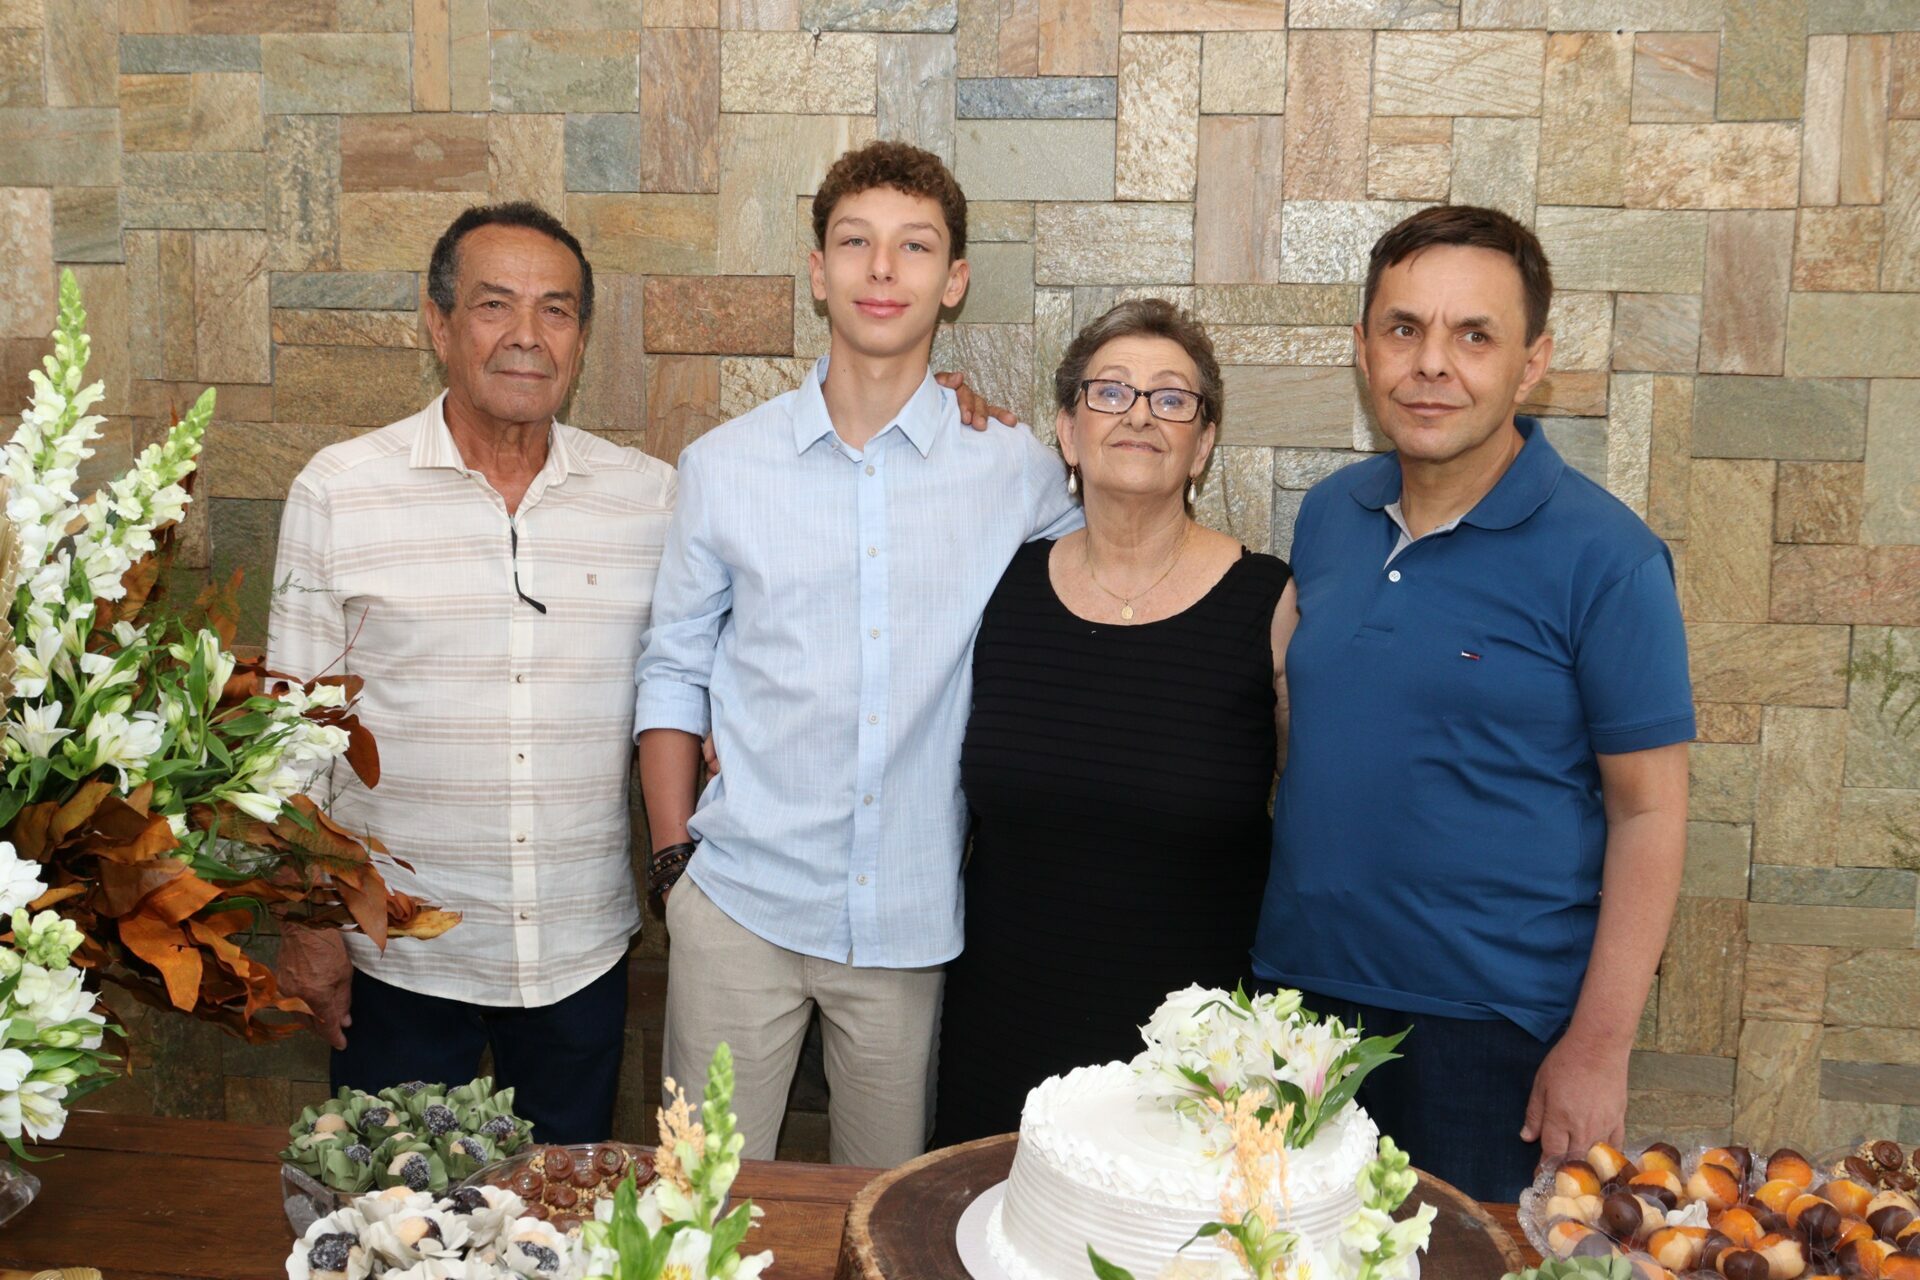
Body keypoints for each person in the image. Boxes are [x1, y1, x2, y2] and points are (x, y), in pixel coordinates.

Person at [633, 141, 1079, 1166]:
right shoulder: (724, 466)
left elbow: (1105, 573)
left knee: (882, 1207)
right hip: (736, 900)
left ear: (954, 281)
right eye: (855, 243)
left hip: (909, 922)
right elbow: (673, 666)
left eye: (914, 246)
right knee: (699, 1199)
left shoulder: (1012, 468)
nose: (883, 268)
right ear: (818, 270)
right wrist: (673, 868)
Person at [1250, 205, 1692, 1200]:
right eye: (1404, 328)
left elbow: (1650, 812)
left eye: (1474, 335)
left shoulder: (1609, 557)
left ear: (1533, 364)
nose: (1431, 363)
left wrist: (1599, 1046)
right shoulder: (1329, 516)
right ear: (1363, 347)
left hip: (1491, 1038)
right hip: (1298, 1010)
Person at [267, 202, 676, 1143]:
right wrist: (307, 923)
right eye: (495, 305)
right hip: (396, 957)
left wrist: (931, 402)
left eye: (557, 310)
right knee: (394, 1211)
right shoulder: (340, 492)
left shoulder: (651, 499)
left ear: (581, 337)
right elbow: (290, 742)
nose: (527, 334)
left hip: (578, 954)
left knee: (562, 1210)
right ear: (438, 322)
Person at [931, 299, 1294, 1146]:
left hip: (1193, 1055)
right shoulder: (1003, 586)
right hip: (1004, 1029)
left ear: (1203, 443)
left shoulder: (1270, 603)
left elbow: (1315, 809)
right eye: (1110, 392)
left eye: (1171, 398)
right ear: (1067, 430)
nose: (1138, 414)